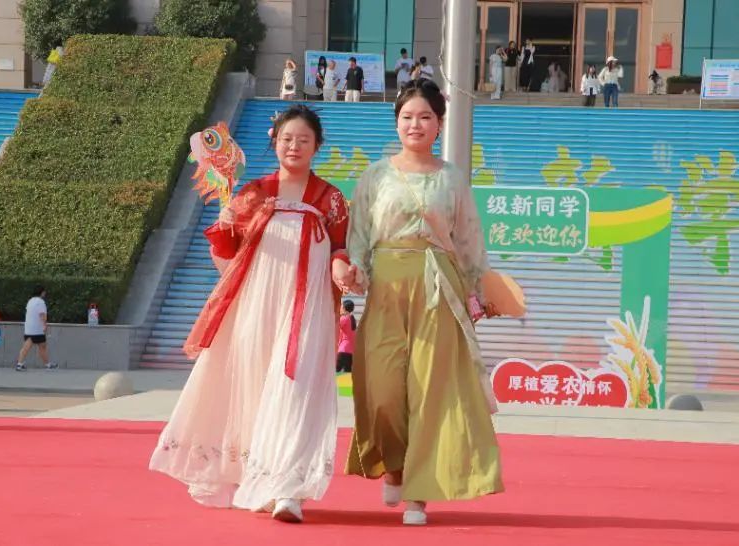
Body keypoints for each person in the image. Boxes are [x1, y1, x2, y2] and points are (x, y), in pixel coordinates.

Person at [150, 105, 352, 524]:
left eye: (304, 140)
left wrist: (343, 270)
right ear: (274, 142)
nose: (294, 146)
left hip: (308, 310)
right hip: (258, 308)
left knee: (295, 390)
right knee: (256, 388)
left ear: (317, 146)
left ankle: (288, 490)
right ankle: (257, 478)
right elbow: (226, 258)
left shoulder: (331, 199)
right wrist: (225, 226)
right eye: (287, 139)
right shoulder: (253, 193)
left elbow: (339, 247)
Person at [342, 79, 503, 526]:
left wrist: (479, 290)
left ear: (439, 123)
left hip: (437, 286)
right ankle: (394, 467)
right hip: (386, 285)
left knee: (431, 391)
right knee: (382, 389)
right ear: (396, 122)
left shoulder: (451, 178)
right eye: (407, 116)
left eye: (425, 117)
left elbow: (468, 238)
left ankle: (418, 492)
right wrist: (354, 271)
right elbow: (358, 236)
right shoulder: (376, 176)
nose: (416, 124)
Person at [16, 285, 56, 371]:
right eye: (44, 291)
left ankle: (19, 364)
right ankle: (47, 365)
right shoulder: (40, 302)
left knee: (27, 347)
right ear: (42, 292)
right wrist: (44, 325)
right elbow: (42, 314)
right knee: (42, 347)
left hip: (29, 328)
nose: (45, 293)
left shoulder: (30, 301)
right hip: (37, 329)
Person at [336, 299, 356, 373]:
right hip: (350, 351)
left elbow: (334, 326)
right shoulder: (352, 318)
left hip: (343, 350)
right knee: (347, 373)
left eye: (341, 307)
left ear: (344, 308)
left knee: (335, 371)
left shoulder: (344, 319)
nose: (340, 309)